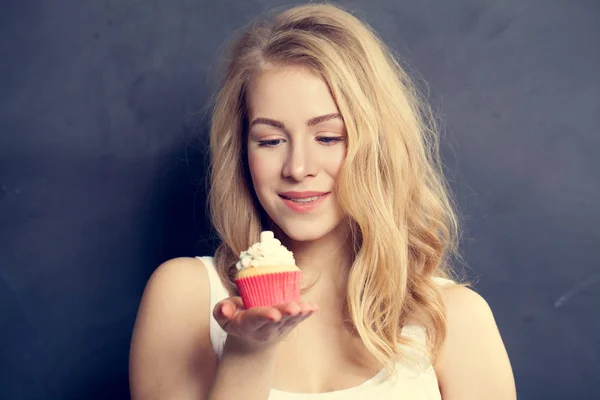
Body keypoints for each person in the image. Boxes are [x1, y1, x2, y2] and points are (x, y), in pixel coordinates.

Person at [129, 3, 516, 399]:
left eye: (328, 137)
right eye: (270, 140)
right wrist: (249, 351)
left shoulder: (456, 320)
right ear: (243, 153)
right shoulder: (186, 296)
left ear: (379, 148)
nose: (297, 168)